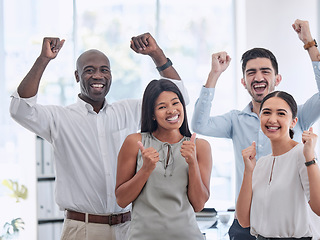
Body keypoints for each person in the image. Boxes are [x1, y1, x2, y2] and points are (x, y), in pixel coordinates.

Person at [9, 33, 189, 240]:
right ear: (77, 76)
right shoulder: (59, 118)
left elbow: (179, 97)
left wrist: (156, 54)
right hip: (83, 229)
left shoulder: (129, 111)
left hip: (130, 227)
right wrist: (43, 60)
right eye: (89, 71)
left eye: (104, 70)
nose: (98, 76)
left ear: (111, 76)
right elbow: (19, 110)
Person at [191, 19, 320, 239]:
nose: (258, 77)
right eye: (251, 73)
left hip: (286, 222)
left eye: (265, 71)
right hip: (247, 218)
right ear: (243, 81)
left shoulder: (298, 116)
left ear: (277, 78)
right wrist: (214, 74)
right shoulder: (235, 120)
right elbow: (199, 125)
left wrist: (309, 43)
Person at [115, 79, 212, 240]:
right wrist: (145, 170)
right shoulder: (134, 142)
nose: (171, 111)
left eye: (176, 103)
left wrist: (192, 163)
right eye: (162, 107)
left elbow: (199, 204)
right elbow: (121, 200)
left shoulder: (200, 146)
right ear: (152, 114)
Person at [236, 91, 320, 240]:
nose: (272, 119)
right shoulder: (261, 163)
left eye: (281, 114)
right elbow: (243, 221)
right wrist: (248, 171)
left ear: (293, 122)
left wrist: (310, 157)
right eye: (266, 112)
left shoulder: (302, 154)